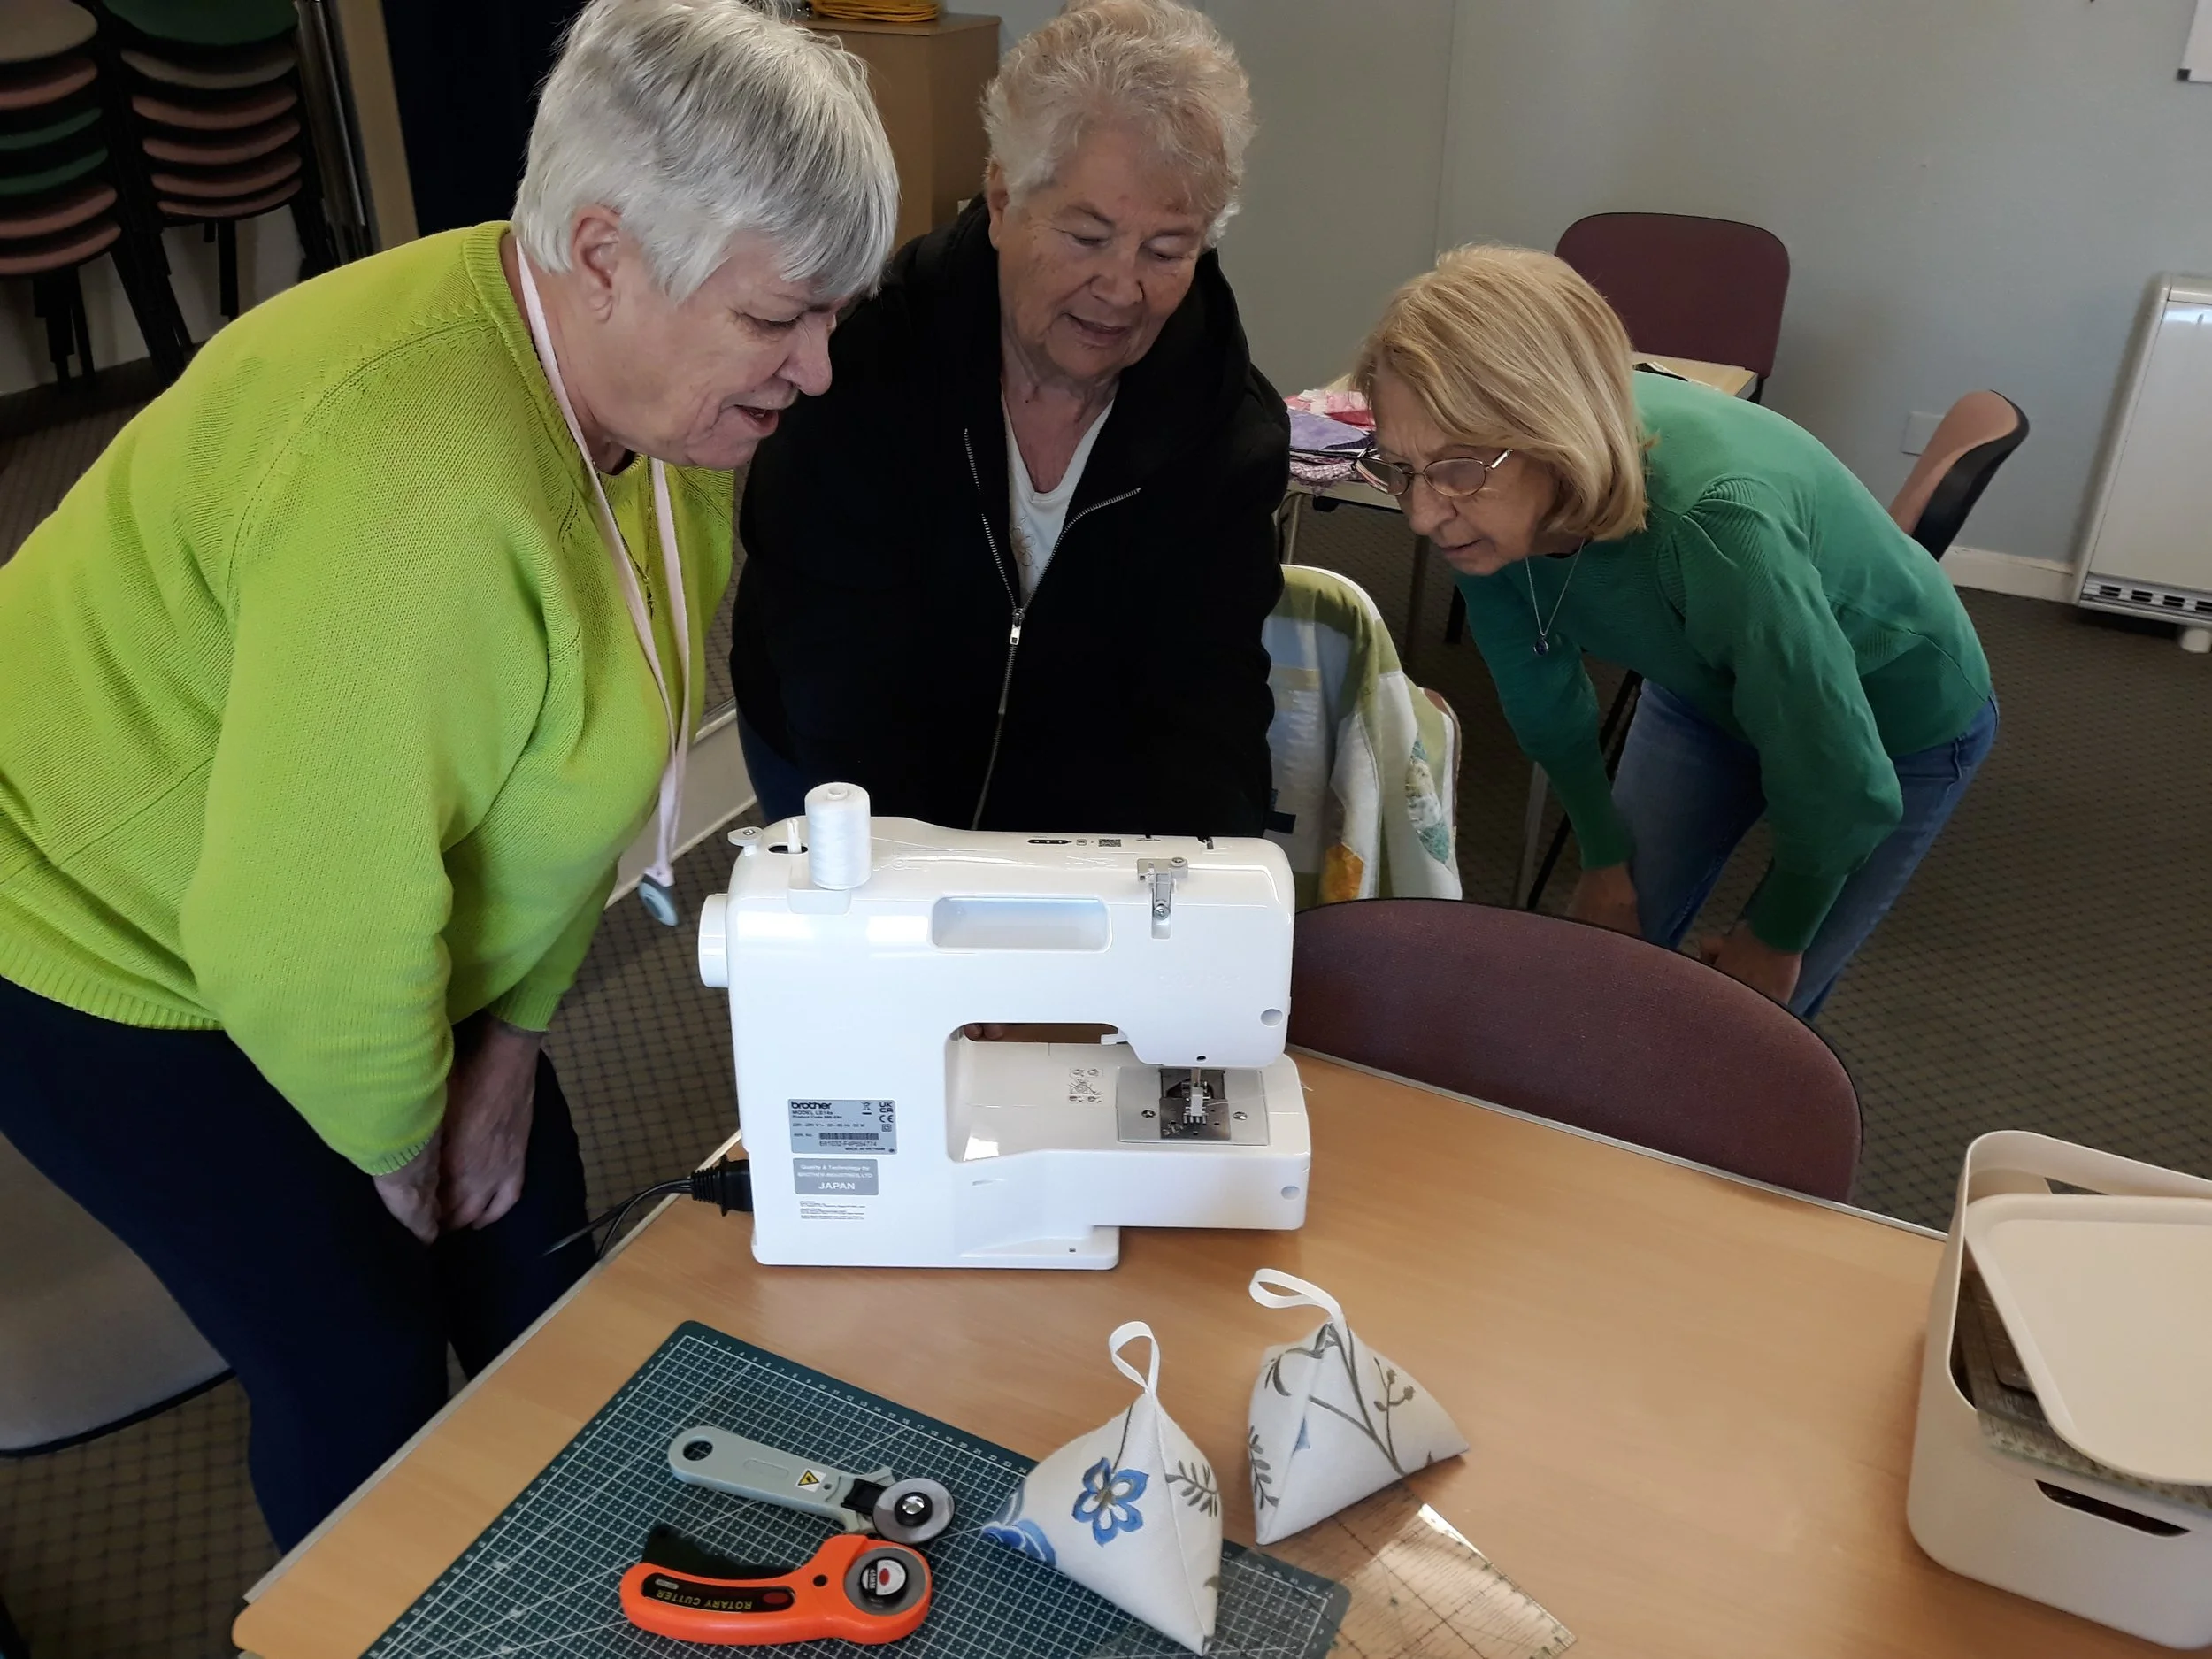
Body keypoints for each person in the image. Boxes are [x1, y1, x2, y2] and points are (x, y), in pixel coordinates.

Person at [0, 0, 895, 1548]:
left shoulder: (655, 416)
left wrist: (514, 1040)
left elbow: (580, 772)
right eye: (780, 321)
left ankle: (573, 1585)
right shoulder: (423, 497)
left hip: (342, 894)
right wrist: (402, 1140)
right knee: (356, 1357)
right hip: (93, 916)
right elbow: (305, 942)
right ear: (605, 252)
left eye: (833, 318)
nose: (819, 371)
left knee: (533, 1255)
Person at [1354, 246, 1998, 1018]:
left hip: (1897, 712)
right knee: (1603, 960)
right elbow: (1540, 692)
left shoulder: (1717, 524)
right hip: (1702, 677)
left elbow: (1841, 778)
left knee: (1752, 1024)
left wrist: (1779, 931)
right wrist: (1601, 852)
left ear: (1556, 436)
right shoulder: (1471, 503)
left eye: (1457, 470)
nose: (1422, 515)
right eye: (1398, 469)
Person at [733, 0, 1287, 838]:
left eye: (1167, 250)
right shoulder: (865, 368)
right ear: (1000, 199)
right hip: (843, 768)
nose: (1122, 287)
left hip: (1076, 789)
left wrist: (1200, 888)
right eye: (1087, 236)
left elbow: (1207, 703)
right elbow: (840, 686)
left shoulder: (1225, 431)